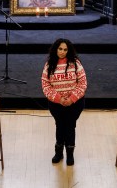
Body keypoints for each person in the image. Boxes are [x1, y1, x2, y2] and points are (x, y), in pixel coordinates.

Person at [41, 38, 87, 166]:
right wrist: (59, 99)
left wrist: (71, 99)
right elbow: (45, 85)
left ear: (69, 50)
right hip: (56, 104)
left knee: (70, 125)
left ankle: (70, 154)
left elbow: (83, 83)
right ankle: (59, 153)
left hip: (75, 103)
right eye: (60, 49)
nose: (62, 52)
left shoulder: (76, 63)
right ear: (56, 49)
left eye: (65, 49)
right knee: (60, 125)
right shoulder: (49, 64)